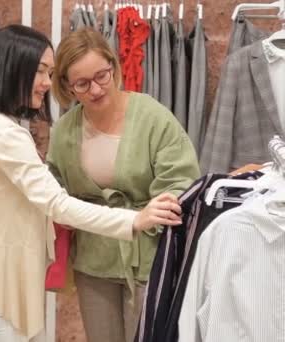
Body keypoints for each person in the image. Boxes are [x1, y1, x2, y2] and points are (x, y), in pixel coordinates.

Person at [0, 25, 183, 342]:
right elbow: (57, 203)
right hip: (13, 280)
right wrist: (135, 219)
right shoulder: (8, 133)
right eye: (40, 72)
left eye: (50, 72)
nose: (46, 83)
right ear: (12, 69)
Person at [48, 28, 200, 342]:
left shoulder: (154, 118)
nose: (96, 89)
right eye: (82, 83)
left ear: (114, 66)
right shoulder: (64, 132)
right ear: (67, 87)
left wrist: (151, 220)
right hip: (93, 260)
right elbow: (55, 192)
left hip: (148, 256)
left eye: (102, 75)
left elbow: (180, 184)